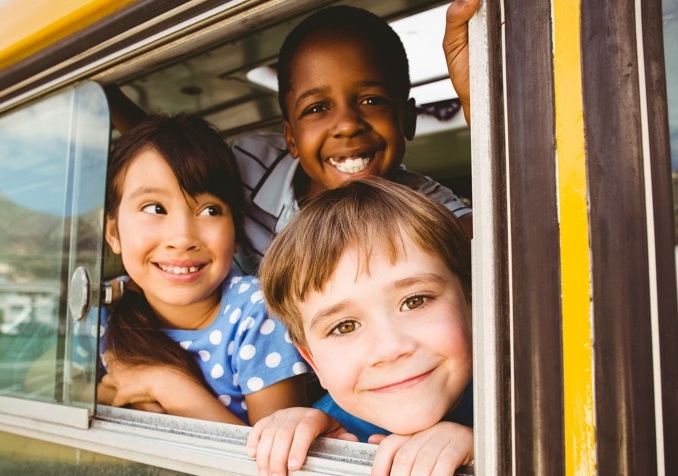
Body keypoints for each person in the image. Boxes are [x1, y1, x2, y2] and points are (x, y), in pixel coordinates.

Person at [231, 2, 479, 274]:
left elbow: (496, 245)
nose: (348, 125)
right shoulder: (245, 168)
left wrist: (478, 107)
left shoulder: (424, 202)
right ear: (291, 138)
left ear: (407, 119)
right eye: (317, 108)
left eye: (371, 100)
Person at [249, 177, 474, 476]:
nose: (390, 349)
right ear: (313, 362)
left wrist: (489, 452)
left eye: (415, 301)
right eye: (344, 327)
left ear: (474, 307)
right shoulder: (321, 440)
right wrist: (287, 452)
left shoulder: (528, 399)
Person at [96, 113, 309, 425]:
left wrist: (166, 385)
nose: (182, 238)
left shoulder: (257, 312)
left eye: (210, 210)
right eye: (155, 208)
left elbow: (274, 463)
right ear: (113, 232)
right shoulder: (102, 308)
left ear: (236, 231)